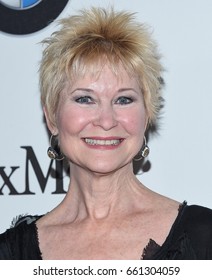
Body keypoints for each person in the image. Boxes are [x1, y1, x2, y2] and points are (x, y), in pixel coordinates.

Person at [0, 6, 212, 260]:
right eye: (85, 99)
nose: (106, 120)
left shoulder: (204, 237)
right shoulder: (11, 255)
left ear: (146, 116)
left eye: (123, 100)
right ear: (52, 118)